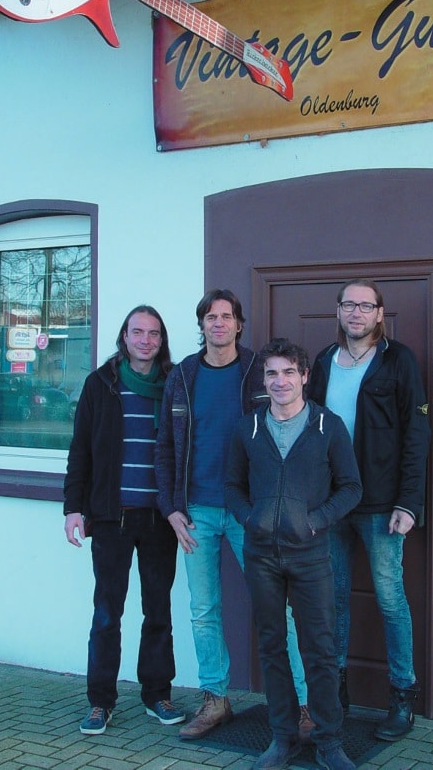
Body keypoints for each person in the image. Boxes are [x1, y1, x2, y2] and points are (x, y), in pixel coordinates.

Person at [155, 289, 314, 742]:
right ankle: (215, 699)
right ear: (201, 325)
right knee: (203, 609)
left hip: (251, 513)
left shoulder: (257, 371)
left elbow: (287, 430)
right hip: (197, 512)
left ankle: (301, 704)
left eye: (226, 316)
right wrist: (170, 508)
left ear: (239, 325)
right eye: (210, 317)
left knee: (275, 609)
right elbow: (164, 445)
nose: (218, 324)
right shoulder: (183, 375)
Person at [226, 338, 362, 770]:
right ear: (263, 380)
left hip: (311, 555)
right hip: (261, 556)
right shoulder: (247, 428)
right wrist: (251, 519)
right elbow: (231, 486)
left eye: (289, 372)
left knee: (319, 651)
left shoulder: (328, 427)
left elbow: (351, 488)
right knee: (271, 647)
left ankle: (329, 743)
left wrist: (314, 521)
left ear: (305, 376)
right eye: (272, 373)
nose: (280, 381)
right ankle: (282, 739)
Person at [308, 279, 431, 742]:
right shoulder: (322, 361)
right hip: (331, 502)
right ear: (337, 311)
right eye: (348, 305)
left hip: (382, 505)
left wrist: (409, 502)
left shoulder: (399, 361)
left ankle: (402, 697)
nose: (356, 313)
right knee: (333, 600)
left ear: (380, 313)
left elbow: (417, 435)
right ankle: (334, 694)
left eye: (365, 305)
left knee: (389, 599)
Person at [63, 306, 185, 736]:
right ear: (125, 336)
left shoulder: (175, 384)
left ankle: (157, 694)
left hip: (159, 519)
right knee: (106, 613)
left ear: (161, 339)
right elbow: (81, 449)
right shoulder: (101, 384)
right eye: (138, 332)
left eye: (154, 333)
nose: (146, 340)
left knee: (158, 610)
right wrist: (73, 507)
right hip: (111, 518)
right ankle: (100, 702)